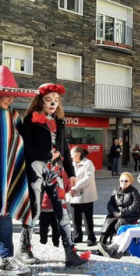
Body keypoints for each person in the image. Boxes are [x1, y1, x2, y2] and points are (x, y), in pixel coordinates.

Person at [19, 83, 87, 267]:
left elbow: (64, 149)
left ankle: (70, 252)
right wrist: (47, 155)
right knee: (35, 211)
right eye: (49, 99)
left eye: (56, 100)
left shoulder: (60, 122)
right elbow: (26, 150)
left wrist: (71, 172)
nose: (53, 103)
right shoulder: (29, 121)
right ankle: (24, 249)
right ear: (40, 101)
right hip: (36, 170)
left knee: (63, 212)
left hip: (56, 172)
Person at [0, 65, 35, 275]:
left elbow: (25, 143)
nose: (10, 100)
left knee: (4, 217)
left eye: (12, 96)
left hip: (5, 178)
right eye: (6, 95)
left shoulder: (14, 117)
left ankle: (5, 259)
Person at [100, 172, 140, 244]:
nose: (124, 182)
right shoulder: (115, 191)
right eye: (122, 180)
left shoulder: (134, 192)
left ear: (130, 182)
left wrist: (122, 212)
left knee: (119, 223)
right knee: (108, 222)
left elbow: (135, 205)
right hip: (116, 214)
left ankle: (115, 246)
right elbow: (110, 204)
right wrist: (114, 212)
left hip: (130, 215)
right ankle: (101, 244)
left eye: (126, 181)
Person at [69, 146, 98, 246]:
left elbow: (88, 178)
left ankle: (91, 238)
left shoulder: (88, 163)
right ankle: (77, 236)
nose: (71, 156)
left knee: (87, 218)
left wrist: (75, 187)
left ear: (78, 154)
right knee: (75, 218)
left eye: (72, 154)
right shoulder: (71, 164)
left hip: (85, 195)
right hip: (74, 195)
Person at [39, 171, 71, 248]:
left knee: (46, 228)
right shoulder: (56, 182)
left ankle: (46, 243)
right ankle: (53, 243)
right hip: (49, 210)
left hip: (48, 210)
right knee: (52, 229)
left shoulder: (43, 182)